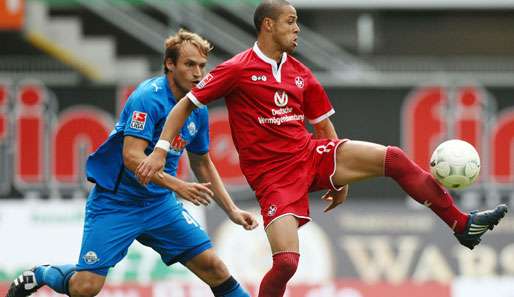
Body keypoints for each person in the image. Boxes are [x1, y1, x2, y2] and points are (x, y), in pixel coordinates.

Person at [135, 2, 509, 297]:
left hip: (310, 155)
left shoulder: (300, 72)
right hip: (273, 179)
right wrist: (161, 149)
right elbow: (185, 105)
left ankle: (462, 224)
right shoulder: (237, 69)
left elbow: (323, 125)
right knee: (286, 264)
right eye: (290, 22)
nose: (297, 29)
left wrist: (338, 176)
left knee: (394, 158)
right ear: (268, 26)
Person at [6, 29, 258, 297]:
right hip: (117, 203)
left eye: (201, 66)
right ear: (170, 64)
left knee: (214, 268)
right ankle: (42, 274)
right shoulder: (148, 97)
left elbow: (203, 162)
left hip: (160, 205)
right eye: (189, 64)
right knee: (85, 288)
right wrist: (178, 185)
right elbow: (132, 157)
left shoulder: (199, 108)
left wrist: (231, 210)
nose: (198, 73)